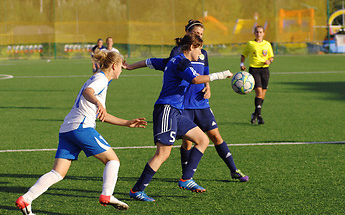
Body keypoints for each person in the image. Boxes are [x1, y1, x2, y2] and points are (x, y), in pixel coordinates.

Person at [15, 50, 147, 214]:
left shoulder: (99, 79)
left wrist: (127, 123)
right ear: (114, 66)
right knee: (113, 161)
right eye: (121, 66)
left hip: (67, 129)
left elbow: (102, 116)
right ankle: (107, 195)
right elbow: (88, 92)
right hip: (81, 128)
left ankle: (26, 199)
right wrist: (98, 103)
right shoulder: (100, 79)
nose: (122, 69)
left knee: (58, 172)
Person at [125, 19, 249, 182]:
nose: (199, 37)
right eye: (196, 33)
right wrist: (130, 66)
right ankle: (186, 177)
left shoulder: (202, 52)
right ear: (188, 35)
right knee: (187, 143)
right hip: (182, 104)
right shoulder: (178, 53)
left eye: (202, 34)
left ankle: (233, 169)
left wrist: (208, 87)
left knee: (214, 136)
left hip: (201, 102)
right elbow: (164, 65)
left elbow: (204, 72)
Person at [240, 25, 274, 125]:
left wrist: (269, 61)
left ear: (263, 33)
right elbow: (243, 55)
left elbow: (271, 57)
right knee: (258, 93)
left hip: (265, 71)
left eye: (260, 32)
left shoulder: (267, 44)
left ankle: (254, 114)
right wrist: (242, 64)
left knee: (262, 96)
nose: (258, 34)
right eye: (257, 32)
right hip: (254, 70)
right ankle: (259, 117)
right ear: (254, 33)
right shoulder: (251, 44)